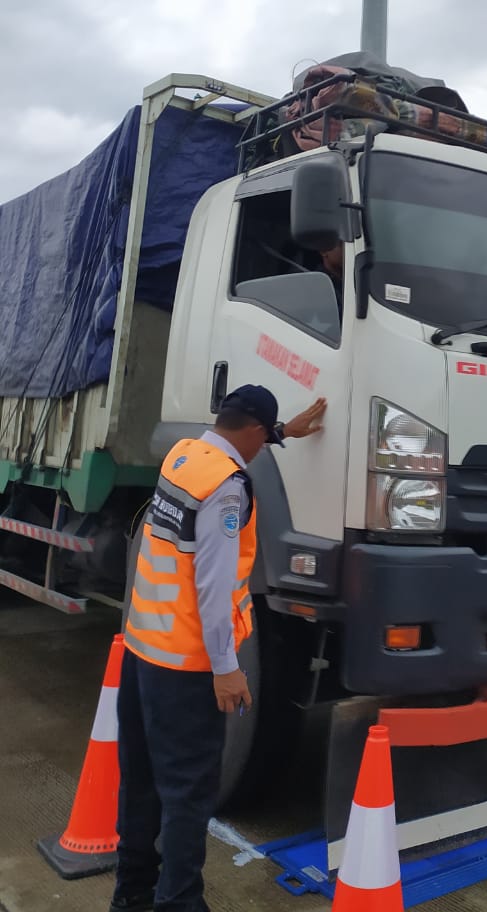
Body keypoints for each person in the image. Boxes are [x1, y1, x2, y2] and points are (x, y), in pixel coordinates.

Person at [110, 384, 328, 912]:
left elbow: (246, 439)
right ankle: (180, 903)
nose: (261, 449)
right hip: (186, 668)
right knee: (187, 796)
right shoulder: (228, 489)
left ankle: (131, 897)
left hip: (142, 653)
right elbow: (212, 586)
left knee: (139, 782)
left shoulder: (186, 454)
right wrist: (228, 669)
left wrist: (286, 431)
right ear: (252, 432)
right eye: (263, 438)